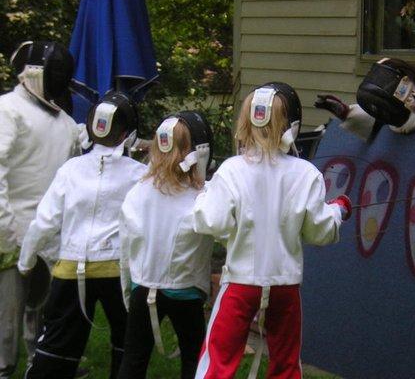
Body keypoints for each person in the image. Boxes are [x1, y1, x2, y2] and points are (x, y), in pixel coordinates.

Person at [191, 82, 352, 379]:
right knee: (286, 366)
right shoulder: (306, 173)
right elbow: (319, 231)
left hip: (240, 284)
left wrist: (205, 195)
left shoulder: (231, 170)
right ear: (292, 124)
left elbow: (212, 222)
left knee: (217, 363)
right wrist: (338, 210)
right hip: (285, 286)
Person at [17, 91, 146, 379]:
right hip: (119, 272)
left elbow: (45, 221)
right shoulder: (139, 174)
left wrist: (26, 261)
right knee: (128, 343)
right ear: (128, 133)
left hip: (71, 271)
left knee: (57, 345)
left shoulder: (70, 170)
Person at [0, 41, 79, 378]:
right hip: (11, 229)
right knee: (7, 313)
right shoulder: (7, 110)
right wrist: (4, 228)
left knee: (43, 307)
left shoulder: (65, 123)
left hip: (48, 234)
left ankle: (42, 363)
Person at [117, 111, 214, 379]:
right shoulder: (204, 196)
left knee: (133, 358)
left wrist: (129, 291)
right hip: (186, 292)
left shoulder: (138, 193)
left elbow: (125, 250)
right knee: (194, 361)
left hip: (143, 287)